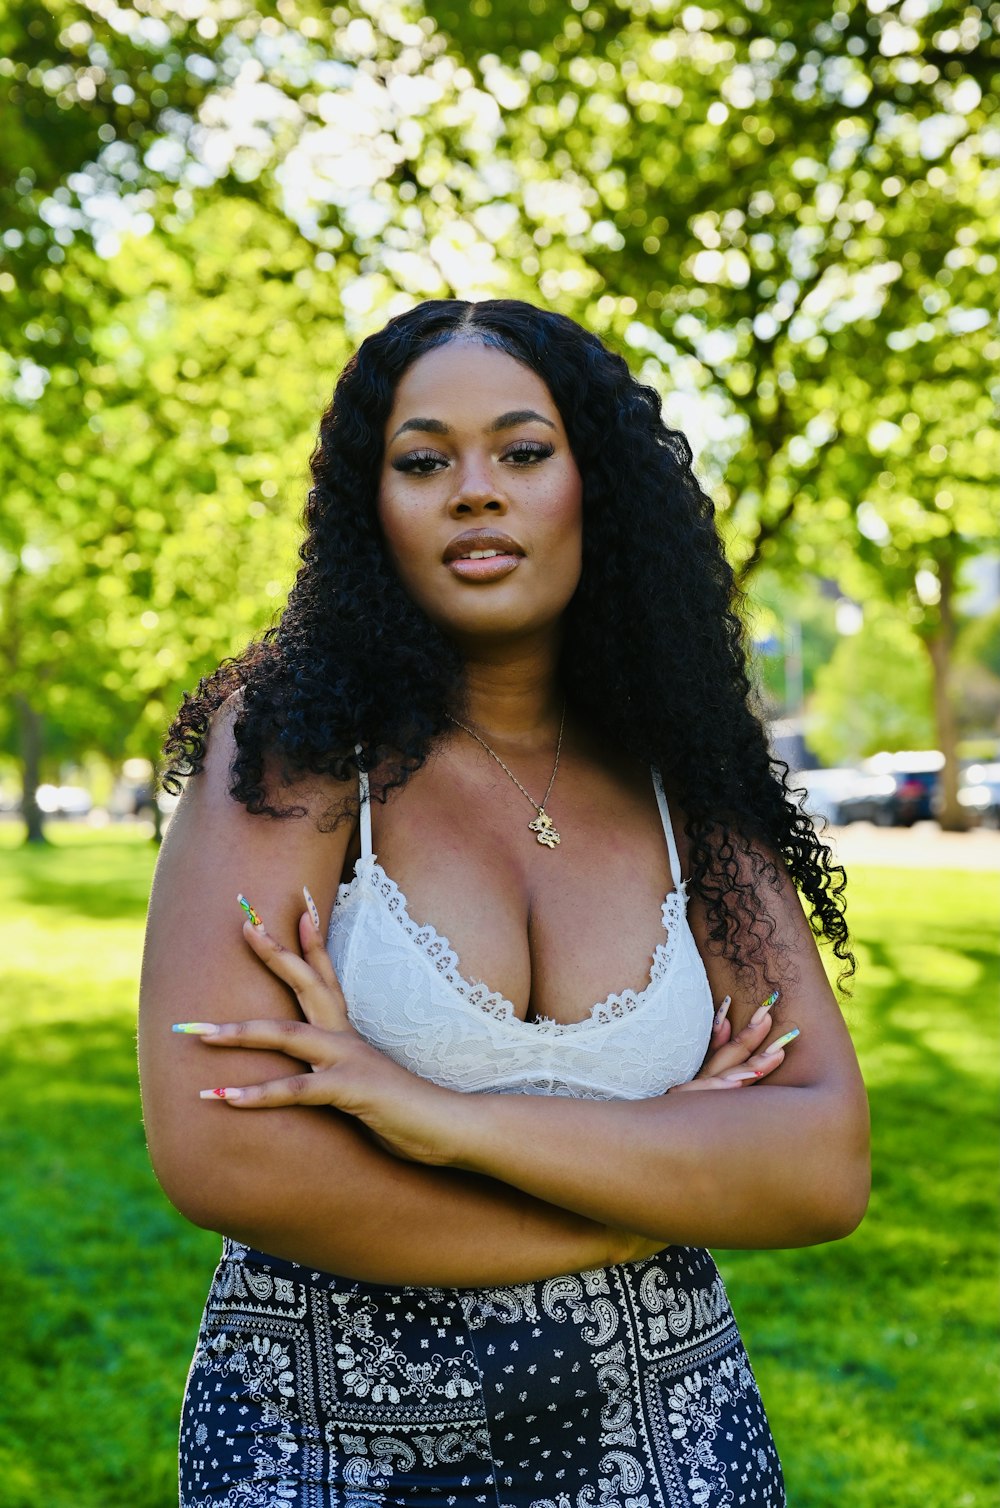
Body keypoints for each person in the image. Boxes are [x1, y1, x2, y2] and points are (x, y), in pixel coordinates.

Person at [138, 298, 869, 1508]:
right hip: (334, 1456)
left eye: (522, 452)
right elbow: (225, 1147)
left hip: (675, 1451)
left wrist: (435, 1114)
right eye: (423, 461)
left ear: (598, 486)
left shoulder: (683, 770)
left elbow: (818, 1163)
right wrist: (651, 1197)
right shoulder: (294, 746)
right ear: (372, 510)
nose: (475, 491)